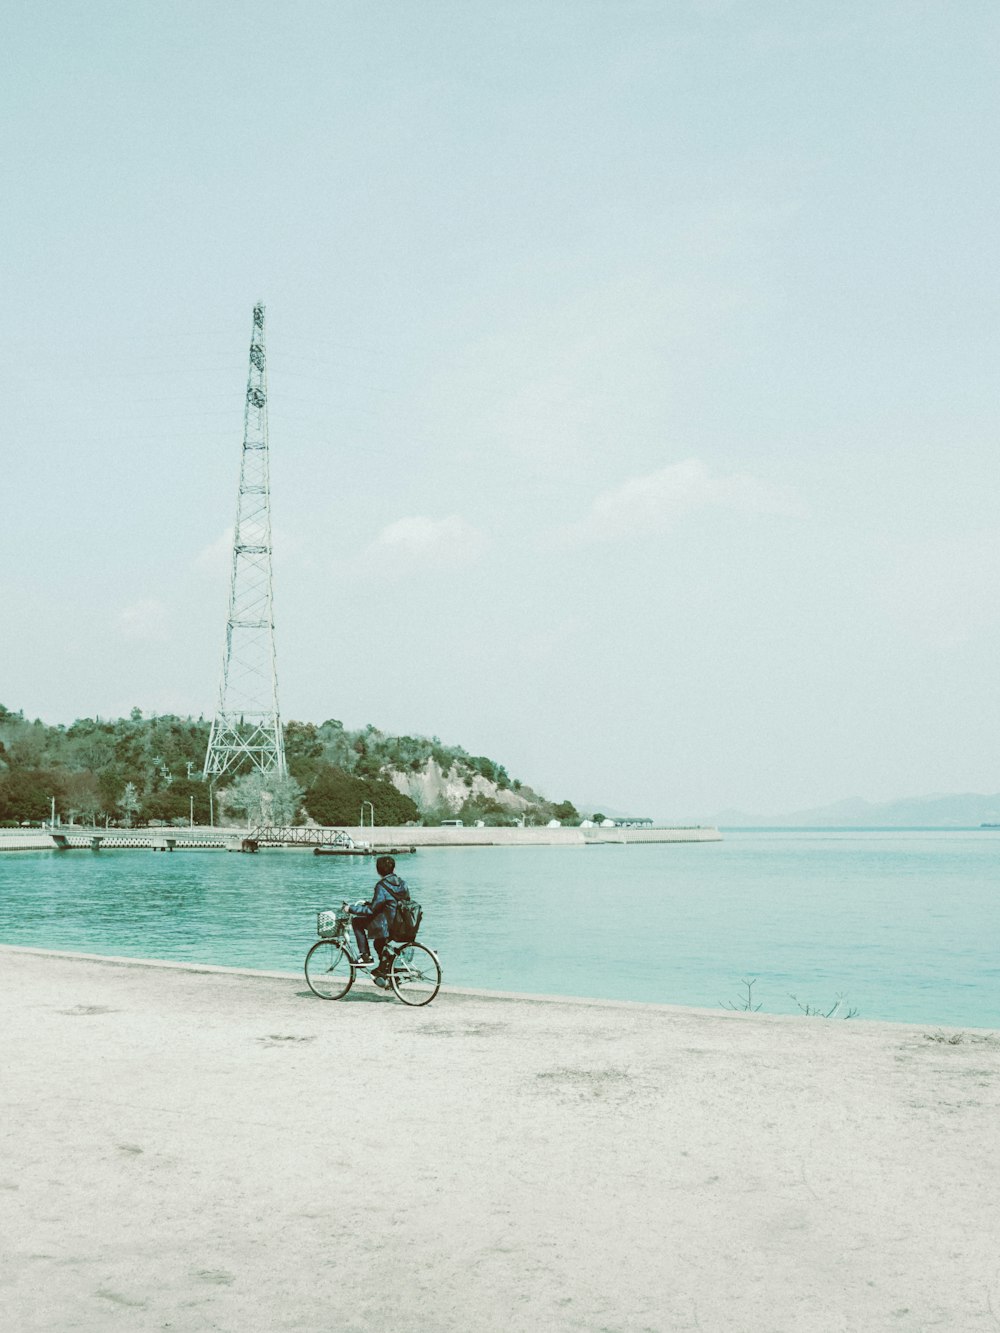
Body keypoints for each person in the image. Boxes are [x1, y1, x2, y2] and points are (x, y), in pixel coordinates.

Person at [349, 855, 410, 984]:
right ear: (393, 868)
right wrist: (370, 903)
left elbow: (372, 910)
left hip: (388, 924)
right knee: (379, 944)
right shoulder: (402, 883)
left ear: (378, 870)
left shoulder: (381, 885)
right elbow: (393, 902)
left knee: (357, 922)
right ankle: (388, 972)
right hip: (401, 924)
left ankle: (365, 956)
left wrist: (351, 909)